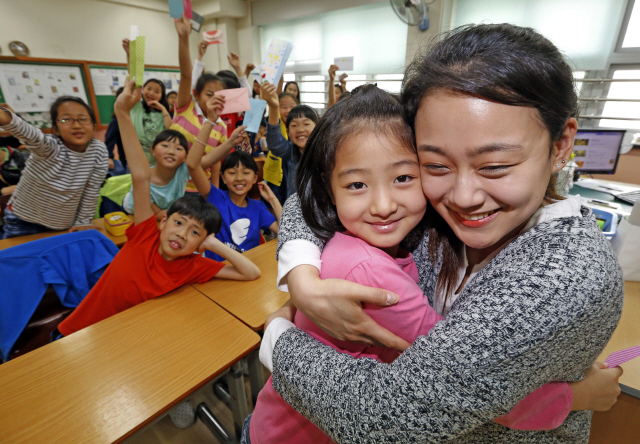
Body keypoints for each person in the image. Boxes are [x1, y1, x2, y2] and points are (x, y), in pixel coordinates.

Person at [261, 24, 624, 443]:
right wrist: (302, 277)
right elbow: (313, 200)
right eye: (435, 165)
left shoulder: (559, 277)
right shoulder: (430, 211)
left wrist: (276, 335)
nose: (464, 196)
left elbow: (389, 420)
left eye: (494, 166)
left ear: (561, 145)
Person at [57, 77, 260, 337]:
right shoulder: (145, 236)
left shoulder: (192, 264)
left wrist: (211, 243)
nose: (181, 234)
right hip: (80, 336)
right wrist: (122, 112)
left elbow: (251, 273)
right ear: (162, 222)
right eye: (178, 223)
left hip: (132, 342)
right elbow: (141, 176)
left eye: (194, 233)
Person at [186, 99, 281, 262]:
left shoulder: (257, 207)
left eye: (245, 172)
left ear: (254, 178)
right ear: (223, 177)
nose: (239, 178)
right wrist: (212, 123)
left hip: (248, 271)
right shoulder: (215, 198)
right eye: (232, 172)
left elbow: (285, 232)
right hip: (219, 273)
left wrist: (273, 200)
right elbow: (193, 164)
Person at [0, 97, 108, 239]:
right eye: (66, 120)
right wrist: (5, 117)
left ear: (94, 125)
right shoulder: (48, 146)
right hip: (23, 221)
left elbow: (91, 190)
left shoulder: (98, 150)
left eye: (83, 119)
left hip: (62, 223)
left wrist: (83, 221)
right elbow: (24, 130)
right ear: (55, 129)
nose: (76, 125)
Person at [171, 17, 228, 188]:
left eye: (219, 95)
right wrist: (183, 38)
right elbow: (186, 76)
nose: (214, 99)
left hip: (200, 189)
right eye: (209, 94)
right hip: (172, 186)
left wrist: (215, 192)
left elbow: (215, 163)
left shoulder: (220, 127)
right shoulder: (185, 107)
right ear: (196, 94)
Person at [262, 82, 318, 201]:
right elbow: (275, 143)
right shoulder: (292, 152)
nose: (300, 129)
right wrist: (273, 107)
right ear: (287, 132)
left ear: (317, 127)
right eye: (294, 125)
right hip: (296, 213)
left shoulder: (326, 152)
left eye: (306, 124)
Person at [122, 39, 172, 166]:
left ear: (162, 96)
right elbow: (133, 78)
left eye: (157, 91)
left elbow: (171, 130)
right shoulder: (135, 106)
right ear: (143, 90)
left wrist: (164, 110)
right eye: (149, 89)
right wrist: (129, 55)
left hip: (156, 164)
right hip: (134, 163)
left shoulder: (164, 114)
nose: (151, 93)